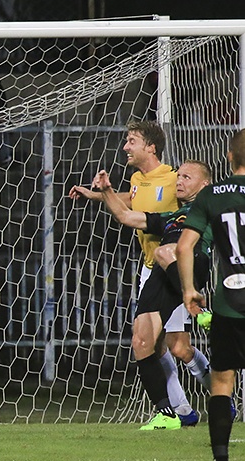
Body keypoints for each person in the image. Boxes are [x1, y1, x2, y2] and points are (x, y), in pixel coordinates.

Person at [69, 121, 211, 426]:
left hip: (178, 265)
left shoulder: (175, 179)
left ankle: (218, 392)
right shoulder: (136, 179)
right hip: (152, 268)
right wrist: (98, 193)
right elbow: (130, 205)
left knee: (179, 348)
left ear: (150, 147)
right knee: (147, 342)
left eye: (131, 140)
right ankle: (179, 411)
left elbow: (196, 207)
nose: (125, 147)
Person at [178, 129, 245, 461]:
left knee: (221, 381)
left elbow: (185, 246)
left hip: (227, 303)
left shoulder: (210, 196)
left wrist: (189, 289)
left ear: (230, 158)